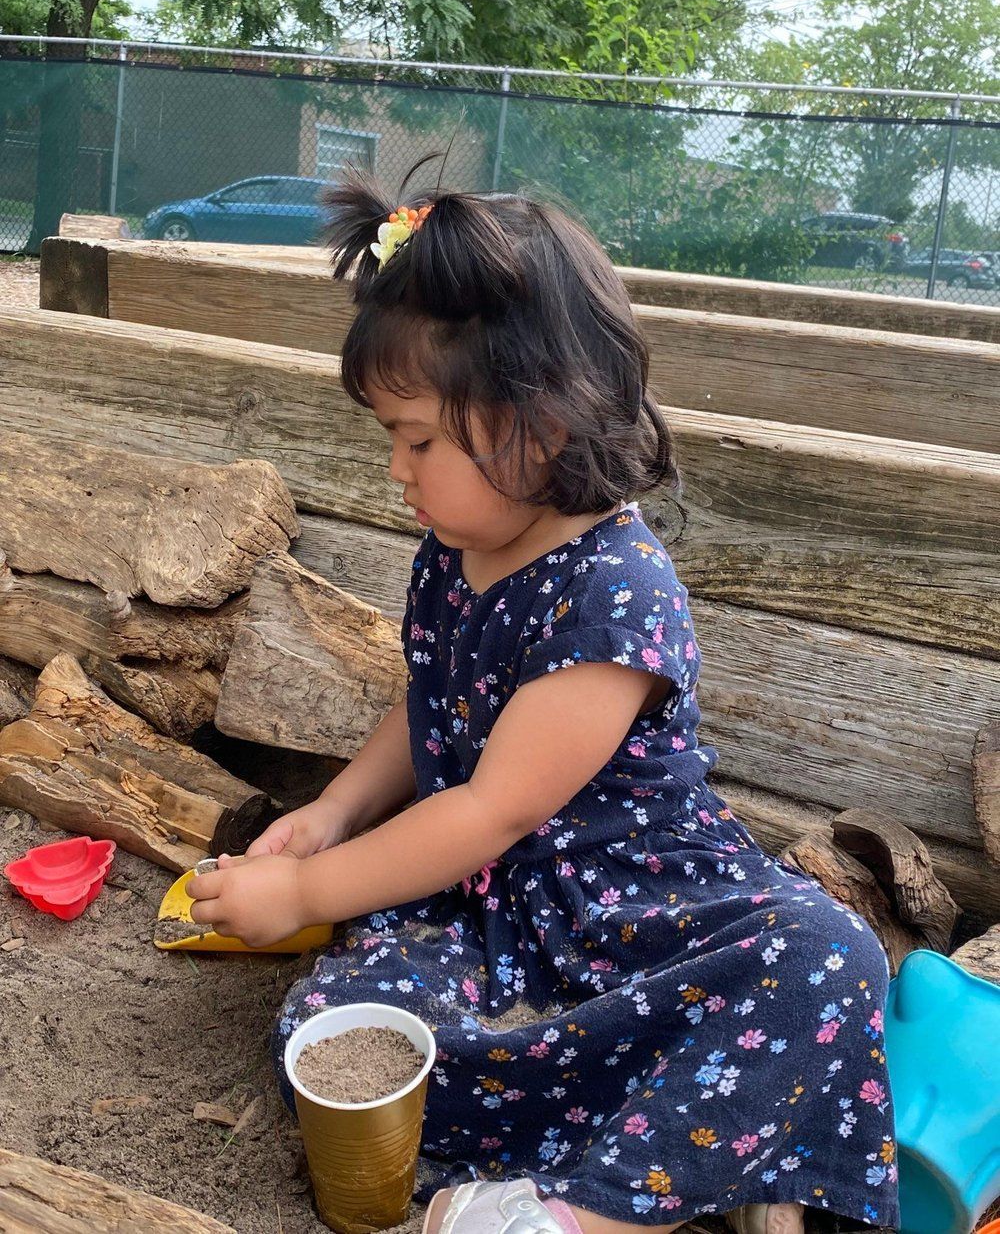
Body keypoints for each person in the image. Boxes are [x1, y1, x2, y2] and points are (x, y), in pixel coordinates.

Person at [187, 162, 898, 1233]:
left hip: (634, 901)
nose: (397, 470)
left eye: (418, 438)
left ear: (544, 421)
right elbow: (427, 698)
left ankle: (582, 1218)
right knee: (334, 1029)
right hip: (485, 910)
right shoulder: (454, 550)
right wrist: (334, 812)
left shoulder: (615, 592)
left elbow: (493, 806)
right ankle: (730, 1151)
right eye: (390, 437)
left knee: (822, 956)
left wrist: (305, 893)